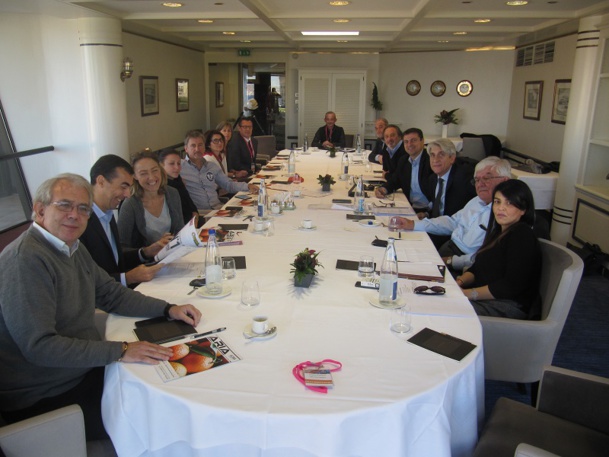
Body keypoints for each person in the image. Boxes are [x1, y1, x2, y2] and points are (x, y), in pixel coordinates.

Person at [0, 173, 201, 440]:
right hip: (48, 394)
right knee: (159, 415)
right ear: (39, 210)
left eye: (83, 209)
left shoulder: (71, 247)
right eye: (64, 205)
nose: (75, 215)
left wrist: (167, 309)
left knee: (173, 376)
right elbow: (40, 347)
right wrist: (122, 350)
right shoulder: (25, 261)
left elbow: (111, 294)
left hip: (81, 371)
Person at [389, 156, 511, 272]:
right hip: (447, 249)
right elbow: (452, 222)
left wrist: (452, 261)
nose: (480, 184)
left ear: (505, 181)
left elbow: (484, 257)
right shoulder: (476, 201)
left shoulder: (504, 214)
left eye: (487, 178)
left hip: (462, 265)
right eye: (477, 180)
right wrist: (414, 224)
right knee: (396, 255)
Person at [457, 179, 541, 319]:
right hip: (487, 297)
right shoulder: (498, 232)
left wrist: (467, 294)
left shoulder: (522, 235)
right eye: (497, 202)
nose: (501, 208)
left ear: (523, 209)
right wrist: (459, 283)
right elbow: (477, 268)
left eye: (509, 203)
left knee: (444, 307)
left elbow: (510, 285)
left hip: (507, 305)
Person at [80, 155, 166, 287]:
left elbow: (116, 261)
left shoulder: (107, 214)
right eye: (123, 187)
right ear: (101, 181)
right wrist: (127, 278)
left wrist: (145, 252)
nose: (127, 194)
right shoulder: (81, 222)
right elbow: (84, 279)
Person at [118, 151, 184, 250]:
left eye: (154, 170)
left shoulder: (172, 193)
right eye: (143, 173)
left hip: (173, 254)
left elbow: (180, 230)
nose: (151, 177)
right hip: (146, 263)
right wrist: (149, 250)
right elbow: (122, 246)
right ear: (135, 176)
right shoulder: (130, 204)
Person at [181, 130, 258, 211]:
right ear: (186, 149)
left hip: (218, 209)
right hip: (200, 214)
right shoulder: (180, 167)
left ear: (204, 146)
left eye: (200, 145)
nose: (197, 149)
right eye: (193, 146)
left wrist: (248, 186)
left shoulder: (211, 166)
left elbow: (228, 184)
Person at [374, 128, 432, 212]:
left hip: (427, 210)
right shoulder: (404, 160)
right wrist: (383, 189)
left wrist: (428, 213)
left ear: (422, 141)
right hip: (411, 207)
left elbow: (437, 194)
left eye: (413, 140)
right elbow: (395, 180)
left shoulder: (431, 161)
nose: (409, 144)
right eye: (406, 142)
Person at [421, 138, 475, 219]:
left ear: (452, 158)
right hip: (437, 225)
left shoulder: (463, 178)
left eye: (441, 154)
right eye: (432, 155)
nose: (435, 160)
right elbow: (438, 207)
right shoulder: (433, 179)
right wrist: (426, 214)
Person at [158, 148, 199, 224]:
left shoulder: (178, 180)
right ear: (161, 165)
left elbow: (192, 207)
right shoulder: (162, 187)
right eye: (171, 164)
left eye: (179, 163)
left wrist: (194, 221)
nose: (177, 167)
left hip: (191, 225)